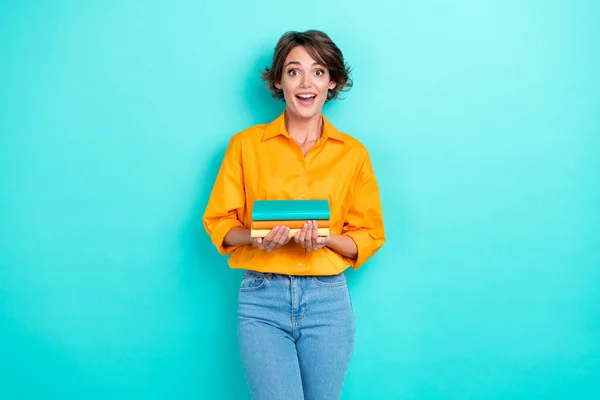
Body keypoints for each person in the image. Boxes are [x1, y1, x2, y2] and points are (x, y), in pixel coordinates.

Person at [202, 30, 385, 400]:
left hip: (327, 301)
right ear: (278, 81)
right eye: (294, 71)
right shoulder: (245, 146)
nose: (306, 83)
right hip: (262, 297)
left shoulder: (353, 155)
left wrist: (324, 238)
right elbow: (220, 222)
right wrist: (256, 235)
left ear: (332, 81)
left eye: (318, 72)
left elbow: (367, 235)